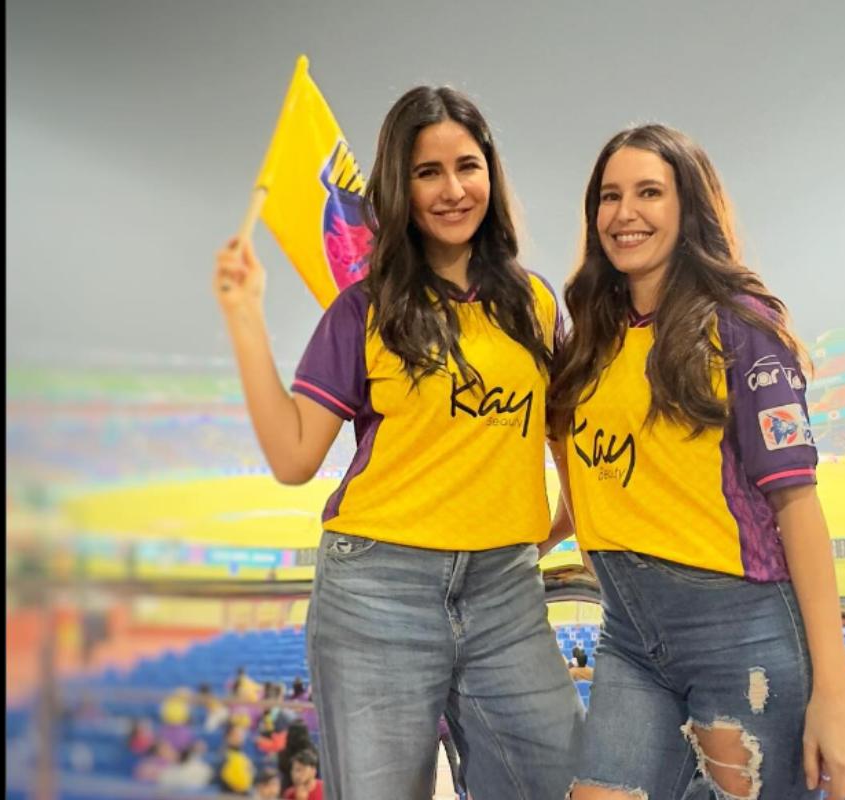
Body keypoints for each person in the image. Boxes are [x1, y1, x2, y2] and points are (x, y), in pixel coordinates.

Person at [214, 85, 582, 799]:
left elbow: (570, 453)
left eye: (467, 166)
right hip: (376, 594)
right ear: (399, 187)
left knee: (563, 780)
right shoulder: (364, 309)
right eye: (427, 173)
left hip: (506, 596)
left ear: (491, 175)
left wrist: (537, 536)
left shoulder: (536, 305)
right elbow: (295, 458)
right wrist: (244, 315)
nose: (452, 190)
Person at [548, 124, 845, 799]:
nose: (624, 213)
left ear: (688, 208)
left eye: (649, 193)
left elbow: (797, 506)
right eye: (609, 196)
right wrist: (523, 537)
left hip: (741, 636)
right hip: (628, 636)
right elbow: (597, 483)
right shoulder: (591, 343)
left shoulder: (740, 329)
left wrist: (835, 695)